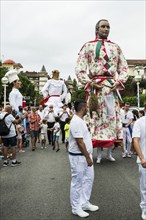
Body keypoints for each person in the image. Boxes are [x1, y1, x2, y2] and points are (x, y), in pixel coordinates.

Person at [75, 19, 129, 164]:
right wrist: (89, 82)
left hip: (111, 88)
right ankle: (97, 153)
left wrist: (118, 82)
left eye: (108, 27)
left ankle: (110, 152)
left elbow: (124, 68)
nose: (106, 29)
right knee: (96, 118)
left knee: (111, 119)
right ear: (97, 29)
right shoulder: (88, 46)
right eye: (103, 26)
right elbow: (80, 68)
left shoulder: (116, 47)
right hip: (95, 89)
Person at [68, 100, 99, 218]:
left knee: (88, 179)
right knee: (77, 182)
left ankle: (84, 202)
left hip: (85, 156)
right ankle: (76, 207)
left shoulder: (80, 120)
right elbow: (79, 142)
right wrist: (87, 157)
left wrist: (88, 156)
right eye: (86, 107)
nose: (87, 109)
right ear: (83, 108)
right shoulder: (75, 121)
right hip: (79, 157)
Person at [132, 103, 146, 220]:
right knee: (144, 186)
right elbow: (135, 141)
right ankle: (144, 208)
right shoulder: (139, 122)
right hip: (144, 160)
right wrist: (142, 158)